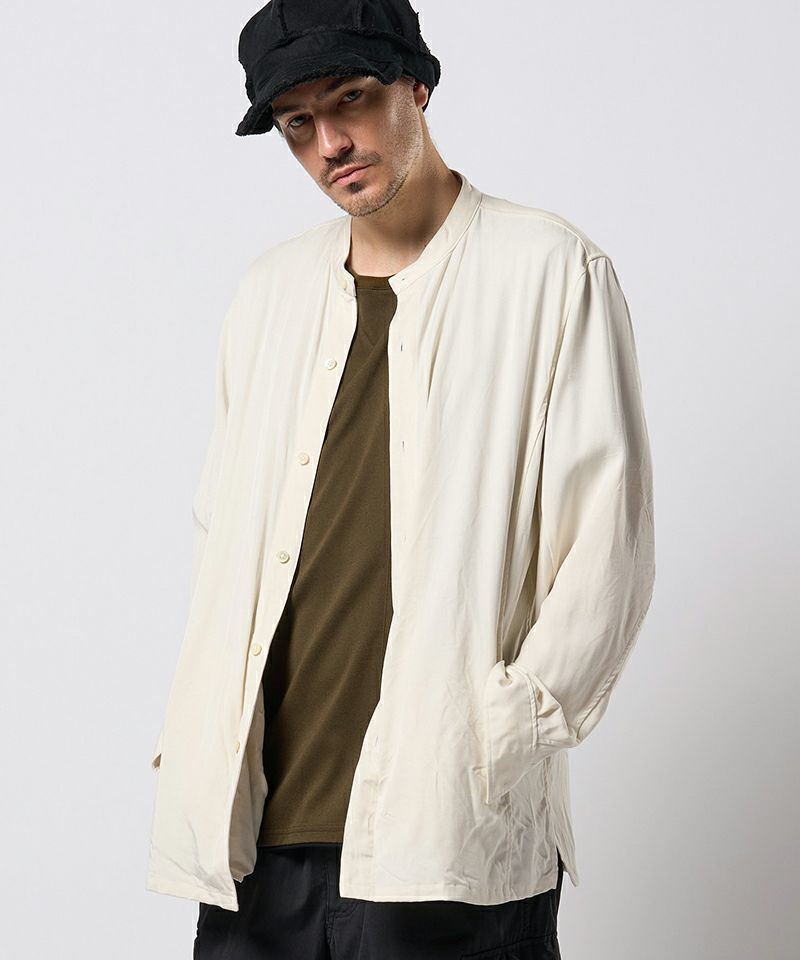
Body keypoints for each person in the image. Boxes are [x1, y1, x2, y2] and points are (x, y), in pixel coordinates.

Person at [145, 1, 656, 957]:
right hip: (255, 838)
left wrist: (497, 735)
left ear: (416, 86)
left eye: (352, 98)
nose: (330, 143)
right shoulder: (269, 295)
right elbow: (224, 536)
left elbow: (607, 549)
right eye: (298, 122)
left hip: (443, 829)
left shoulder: (548, 271)